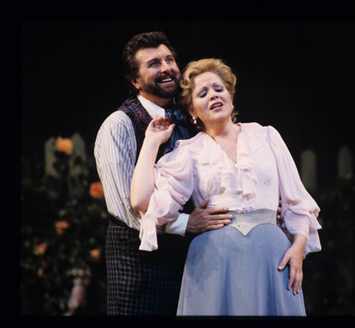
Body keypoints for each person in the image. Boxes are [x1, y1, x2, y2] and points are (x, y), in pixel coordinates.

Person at [130, 58, 322, 316]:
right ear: (193, 111)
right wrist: (152, 143)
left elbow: (297, 202)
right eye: (203, 93)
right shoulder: (189, 152)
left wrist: (298, 249)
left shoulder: (266, 136)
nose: (213, 96)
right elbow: (141, 202)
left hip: (272, 259)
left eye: (218, 89)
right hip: (214, 260)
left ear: (230, 96)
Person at [94, 32, 233, 316]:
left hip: (195, 262)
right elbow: (124, 207)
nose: (166, 67)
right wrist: (184, 224)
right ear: (135, 81)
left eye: (169, 59)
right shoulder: (119, 124)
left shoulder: (192, 119)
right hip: (141, 268)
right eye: (154, 63)